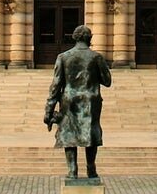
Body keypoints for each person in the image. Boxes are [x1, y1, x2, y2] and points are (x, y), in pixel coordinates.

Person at [44, 24, 112, 179]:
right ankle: (91, 168)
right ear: (90, 39)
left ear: (74, 38)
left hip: (69, 101)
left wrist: (49, 110)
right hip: (91, 101)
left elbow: (55, 86)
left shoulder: (63, 57)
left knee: (69, 134)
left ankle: (72, 170)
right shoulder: (96, 57)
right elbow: (107, 81)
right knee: (91, 132)